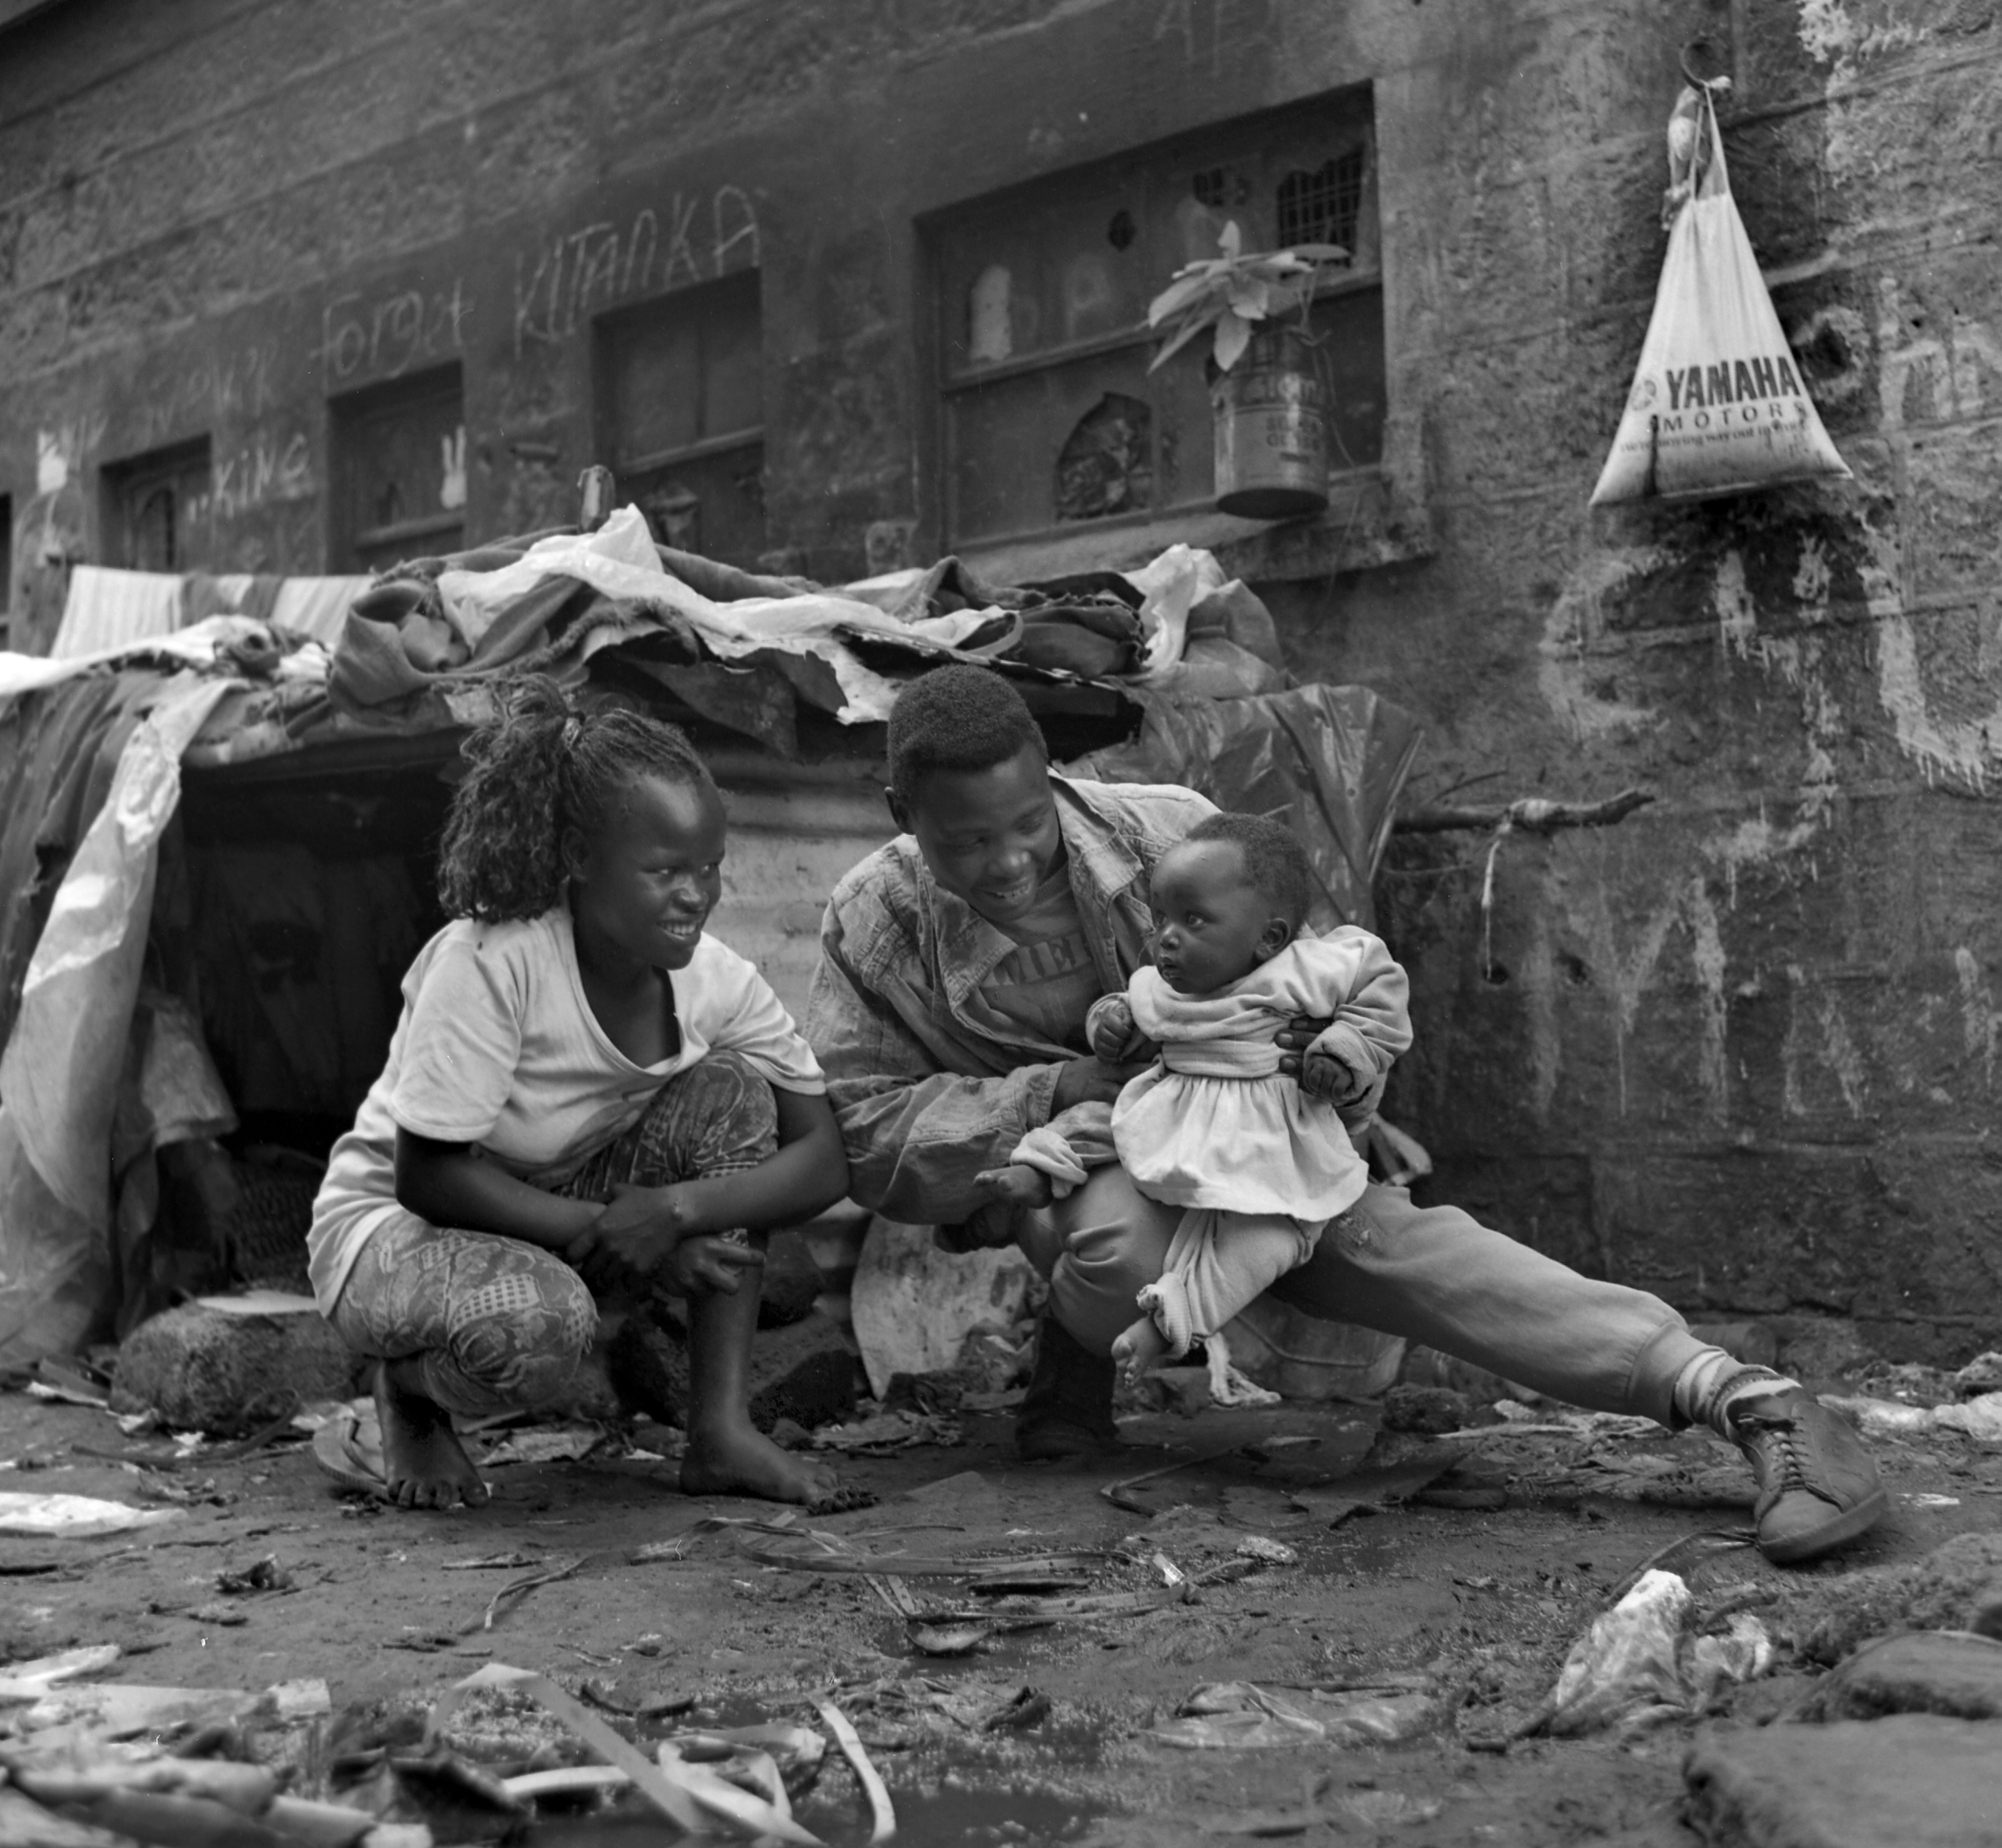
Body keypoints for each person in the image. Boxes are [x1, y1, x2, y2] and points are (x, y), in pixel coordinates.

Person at [804, 664, 1887, 1565]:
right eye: (964, 845)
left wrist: (1347, 1084)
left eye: (1027, 826)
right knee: (1116, 1249)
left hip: (1261, 1142)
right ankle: (1078, 1357)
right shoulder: (872, 919)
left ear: (1054, 775)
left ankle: (1759, 1406)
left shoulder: (1178, 838)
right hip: (1077, 1171)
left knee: (1401, 1252)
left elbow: (1333, 985)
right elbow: (858, 1129)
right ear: (903, 819)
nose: (1004, 863)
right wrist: (1052, 1096)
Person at [308, 680, 855, 1512]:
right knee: (542, 1328)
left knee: (732, 1095)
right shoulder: (492, 960)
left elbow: (820, 1159)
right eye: (665, 870)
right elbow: (429, 1174)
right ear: (578, 859)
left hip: (558, 1209)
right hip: (393, 1230)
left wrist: (671, 1211)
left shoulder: (716, 982)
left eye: (710, 867)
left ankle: (719, 1431)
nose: (697, 895)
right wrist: (624, 1233)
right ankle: (410, 1392)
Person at [972, 812, 1411, 1381]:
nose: (1165, 937)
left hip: (1271, 1138)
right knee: (1100, 1117)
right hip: (1178, 1102)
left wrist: (1343, 1051)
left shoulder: (1313, 969)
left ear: (1270, 937)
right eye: (1160, 918)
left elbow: (1382, 998)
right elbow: (1132, 1007)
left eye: (1193, 919)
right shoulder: (1168, 979)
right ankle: (1037, 1169)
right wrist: (1109, 1022)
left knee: (1268, 1246)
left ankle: (1170, 1321)